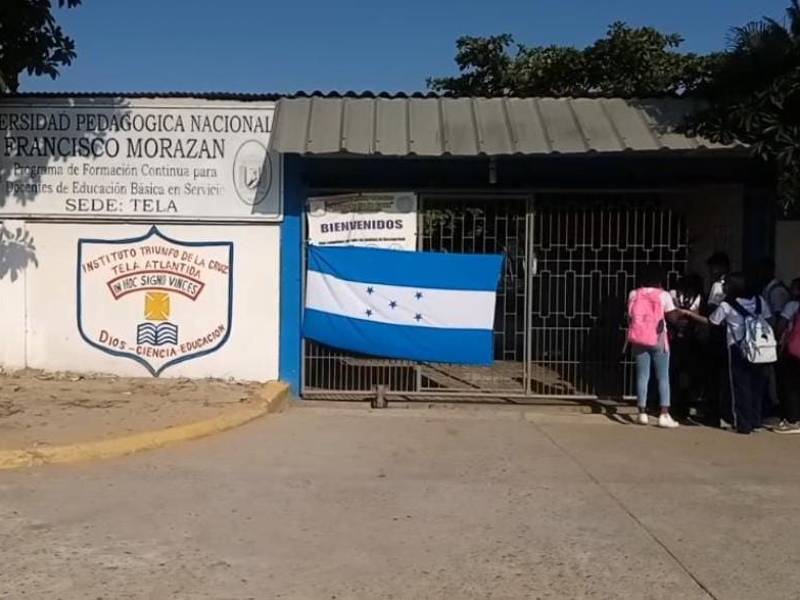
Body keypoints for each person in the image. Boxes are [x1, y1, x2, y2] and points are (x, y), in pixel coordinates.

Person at [686, 272, 774, 434]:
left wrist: (690, 315)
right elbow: (769, 320)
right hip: (761, 349)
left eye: (725, 284)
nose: (723, 287)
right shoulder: (759, 301)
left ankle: (742, 423)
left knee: (740, 387)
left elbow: (712, 322)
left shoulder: (727, 305)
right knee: (757, 385)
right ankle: (756, 421)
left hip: (737, 348)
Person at [627, 264, 682, 428]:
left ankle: (641, 412)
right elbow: (672, 318)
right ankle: (664, 414)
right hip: (658, 338)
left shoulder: (634, 294)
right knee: (663, 377)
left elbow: (630, 315)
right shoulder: (663, 295)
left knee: (642, 376)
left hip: (638, 338)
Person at [668, 274, 705, 420]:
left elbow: (698, 313)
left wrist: (688, 314)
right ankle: (676, 404)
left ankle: (686, 403)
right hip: (676, 337)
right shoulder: (674, 294)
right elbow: (670, 313)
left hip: (692, 339)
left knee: (689, 374)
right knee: (675, 372)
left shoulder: (699, 297)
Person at [773, 277, 800, 434]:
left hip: (792, 351)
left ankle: (793, 420)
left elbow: (781, 325)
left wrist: (777, 341)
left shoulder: (792, 306)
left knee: (790, 386)